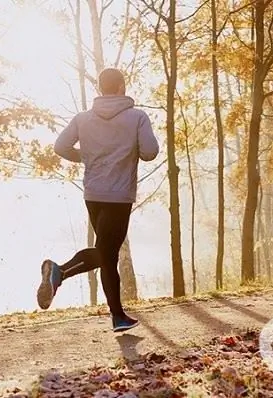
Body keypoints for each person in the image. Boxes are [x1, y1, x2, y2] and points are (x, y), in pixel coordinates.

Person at [36, 68, 159, 333]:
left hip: (93, 194)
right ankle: (60, 272)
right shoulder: (137, 117)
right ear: (121, 87)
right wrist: (126, 151)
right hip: (119, 195)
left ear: (101, 89)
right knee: (107, 252)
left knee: (107, 253)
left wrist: (90, 156)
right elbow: (150, 152)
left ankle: (118, 317)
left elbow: (60, 147)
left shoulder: (83, 119)